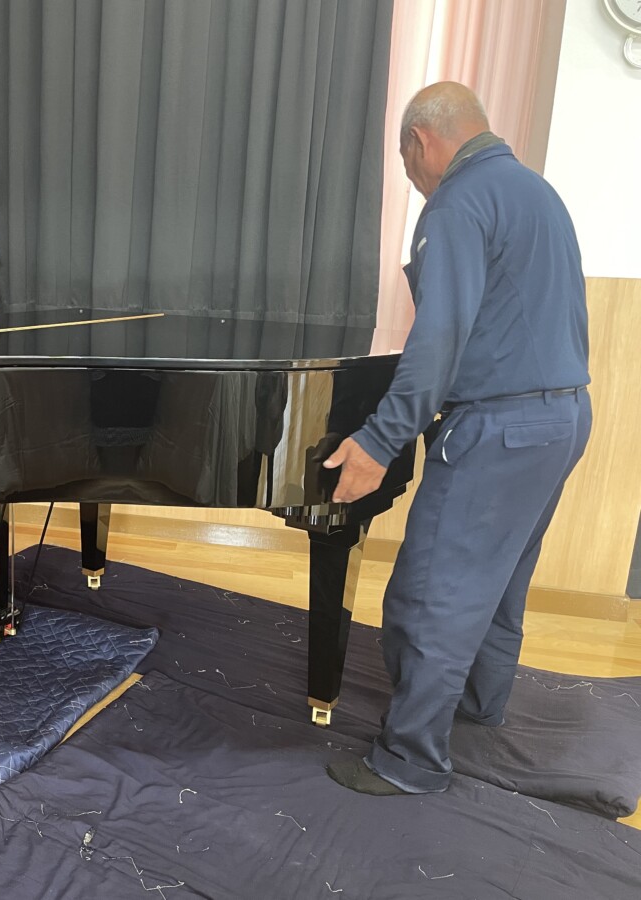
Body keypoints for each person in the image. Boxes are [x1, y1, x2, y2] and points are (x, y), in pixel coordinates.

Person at [322, 83, 592, 796]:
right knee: (499, 583)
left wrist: (379, 441)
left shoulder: (457, 202)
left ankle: (409, 760)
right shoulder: (536, 192)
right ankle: (477, 710)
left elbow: (437, 339)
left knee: (429, 596)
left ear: (419, 141)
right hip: (565, 417)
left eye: (406, 161)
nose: (412, 178)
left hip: (499, 428)